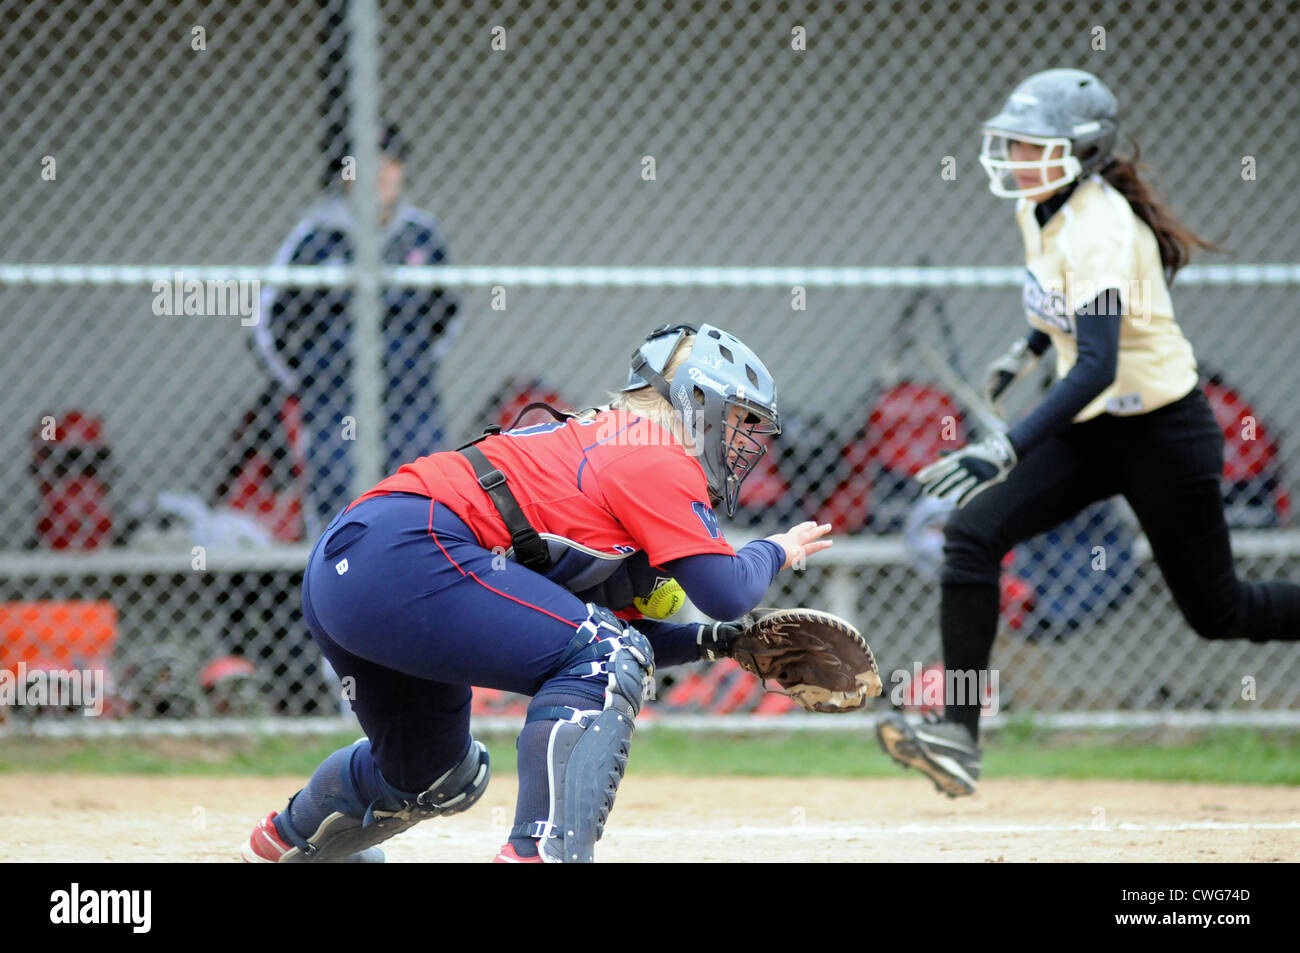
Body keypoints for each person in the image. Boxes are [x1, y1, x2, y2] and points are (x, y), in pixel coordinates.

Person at [241, 323, 834, 862]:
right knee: (607, 655)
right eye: (738, 419)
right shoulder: (652, 452)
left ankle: (291, 844)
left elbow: (614, 632)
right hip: (413, 549)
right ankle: (543, 854)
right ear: (694, 401)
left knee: (436, 775)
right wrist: (777, 549)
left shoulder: (609, 447)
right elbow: (726, 589)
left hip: (355, 567)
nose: (745, 442)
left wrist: (717, 642)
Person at [876, 68, 1300, 797]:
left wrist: (1006, 444)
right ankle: (958, 736)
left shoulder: (1101, 227)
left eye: (1032, 145)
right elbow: (1063, 312)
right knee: (972, 535)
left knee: (1218, 611)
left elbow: (1100, 363)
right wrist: (1031, 348)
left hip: (1164, 432)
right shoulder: (1040, 206)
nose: (1013, 156)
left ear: (1083, 152)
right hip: (1095, 425)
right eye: (1010, 143)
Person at [251, 122, 460, 539]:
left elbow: (448, 316)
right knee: (338, 520)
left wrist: (410, 365)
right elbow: (266, 324)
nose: (382, 172)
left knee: (423, 513)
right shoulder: (314, 237)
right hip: (334, 405)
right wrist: (311, 380)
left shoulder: (422, 235)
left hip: (409, 405)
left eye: (392, 161)